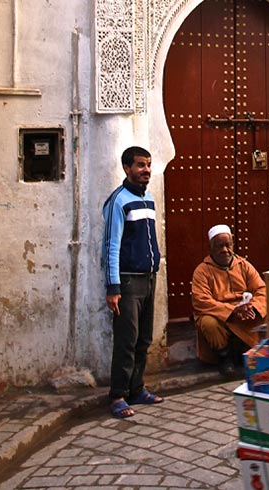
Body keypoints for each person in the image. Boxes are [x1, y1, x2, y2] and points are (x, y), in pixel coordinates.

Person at [102, 146, 164, 418]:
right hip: (128, 282)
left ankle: (137, 389)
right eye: (140, 165)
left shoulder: (148, 198)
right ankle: (117, 395)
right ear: (127, 168)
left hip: (148, 279)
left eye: (148, 165)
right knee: (126, 340)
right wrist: (113, 288)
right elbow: (111, 245)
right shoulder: (118, 201)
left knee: (143, 339)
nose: (146, 170)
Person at [191, 224, 267, 377]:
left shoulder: (243, 265)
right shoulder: (202, 271)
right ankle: (225, 358)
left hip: (245, 313)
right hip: (222, 316)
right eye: (220, 246)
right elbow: (201, 301)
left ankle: (249, 352)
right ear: (211, 248)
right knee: (208, 322)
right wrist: (232, 311)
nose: (225, 250)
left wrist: (252, 308)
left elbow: (261, 289)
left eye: (228, 245)